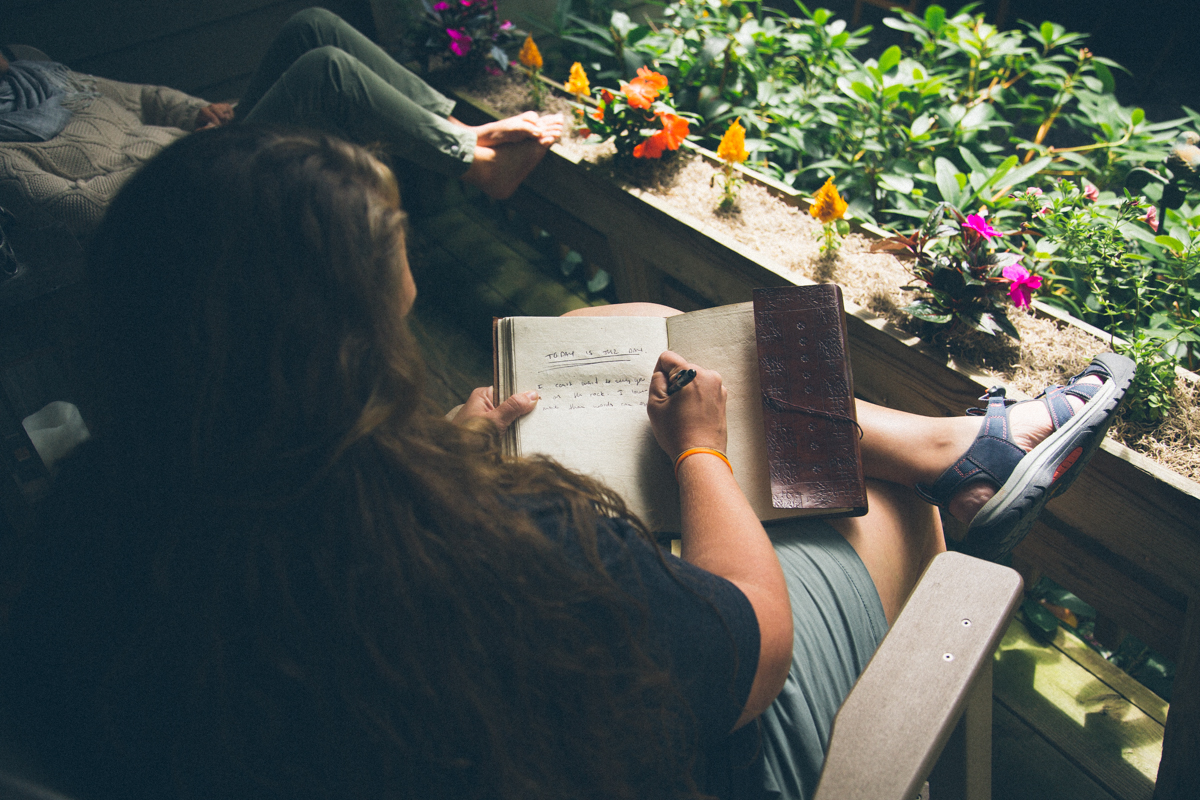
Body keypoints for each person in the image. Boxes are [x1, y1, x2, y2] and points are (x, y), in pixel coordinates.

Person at [0, 125, 1132, 800]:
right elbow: (755, 644)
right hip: (692, 749)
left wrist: (412, 451)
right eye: (394, 250)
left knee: (641, 318)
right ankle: (954, 471)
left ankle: (964, 448)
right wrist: (696, 457)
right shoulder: (483, 544)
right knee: (868, 506)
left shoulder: (80, 527)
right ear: (351, 332)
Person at [205, 6, 563, 200]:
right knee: (327, 70)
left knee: (312, 24)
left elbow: (146, 97)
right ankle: (482, 166)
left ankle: (465, 133)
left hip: (214, 140)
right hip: (207, 185)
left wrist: (194, 114)